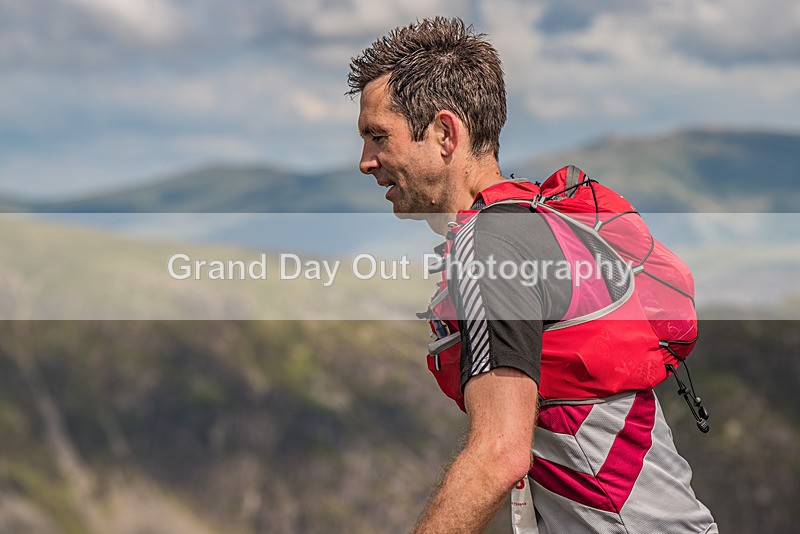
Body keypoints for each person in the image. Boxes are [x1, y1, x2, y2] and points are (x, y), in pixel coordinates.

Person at [348, 17, 717, 534]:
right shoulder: (536, 220)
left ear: (444, 133)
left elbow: (499, 454)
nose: (366, 162)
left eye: (377, 136)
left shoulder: (490, 246)